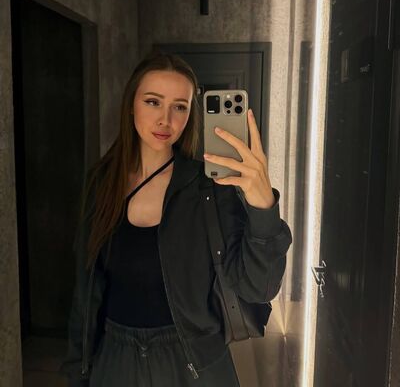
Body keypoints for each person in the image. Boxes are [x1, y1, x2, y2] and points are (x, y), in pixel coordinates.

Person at [59, 51, 292, 387]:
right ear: (131, 105)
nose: (165, 119)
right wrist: (76, 371)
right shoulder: (101, 183)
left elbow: (259, 287)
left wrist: (263, 205)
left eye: (179, 107)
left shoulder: (209, 189)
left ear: (189, 115)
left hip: (192, 363)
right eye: (153, 102)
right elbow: (85, 292)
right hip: (115, 360)